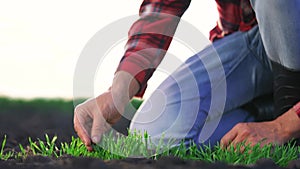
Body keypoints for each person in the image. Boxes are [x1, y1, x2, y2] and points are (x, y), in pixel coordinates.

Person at [74, 0, 300, 152]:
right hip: (254, 43)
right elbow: (162, 7)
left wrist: (283, 127)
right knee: (154, 134)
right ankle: (264, 109)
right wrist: (118, 93)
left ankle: (290, 128)